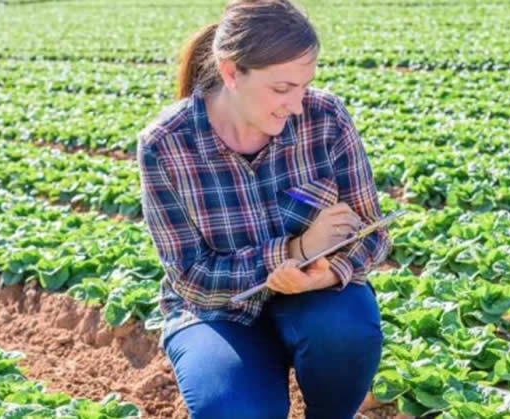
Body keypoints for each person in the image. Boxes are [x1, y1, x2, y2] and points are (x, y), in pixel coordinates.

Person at [136, 0, 392, 417]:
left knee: (347, 330)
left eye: (304, 86)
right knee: (234, 410)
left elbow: (372, 230)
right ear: (231, 71)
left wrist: (325, 273)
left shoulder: (324, 117)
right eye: (281, 89)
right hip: (217, 312)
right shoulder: (166, 145)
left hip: (315, 300)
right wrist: (295, 251)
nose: (296, 104)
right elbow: (190, 276)